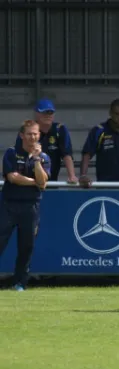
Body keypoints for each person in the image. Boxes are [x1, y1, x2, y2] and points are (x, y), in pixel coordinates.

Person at [0, 120, 50, 291]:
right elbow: (12, 177)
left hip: (31, 207)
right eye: (29, 134)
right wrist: (35, 182)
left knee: (26, 246)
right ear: (22, 135)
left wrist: (36, 161)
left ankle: (19, 283)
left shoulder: (43, 158)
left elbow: (43, 183)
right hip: (9, 205)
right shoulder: (11, 153)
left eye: (35, 134)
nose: (32, 137)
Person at [15, 99, 77, 183]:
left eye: (50, 112)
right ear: (36, 113)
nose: (48, 115)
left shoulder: (60, 129)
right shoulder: (28, 130)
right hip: (28, 181)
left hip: (52, 181)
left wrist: (72, 176)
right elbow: (19, 156)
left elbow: (67, 155)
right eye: (44, 112)